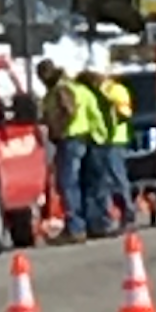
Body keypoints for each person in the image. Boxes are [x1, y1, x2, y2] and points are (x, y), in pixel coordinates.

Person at [37, 56, 97, 244]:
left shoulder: (61, 89)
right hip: (78, 138)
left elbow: (68, 110)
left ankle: (75, 228)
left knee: (68, 184)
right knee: (76, 183)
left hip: (70, 139)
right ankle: (83, 224)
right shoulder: (65, 87)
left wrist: (58, 128)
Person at [91, 70, 134, 231]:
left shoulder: (116, 91)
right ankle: (113, 214)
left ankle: (127, 212)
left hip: (114, 138)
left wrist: (110, 109)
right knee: (106, 180)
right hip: (103, 139)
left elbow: (125, 113)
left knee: (117, 178)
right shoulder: (99, 92)